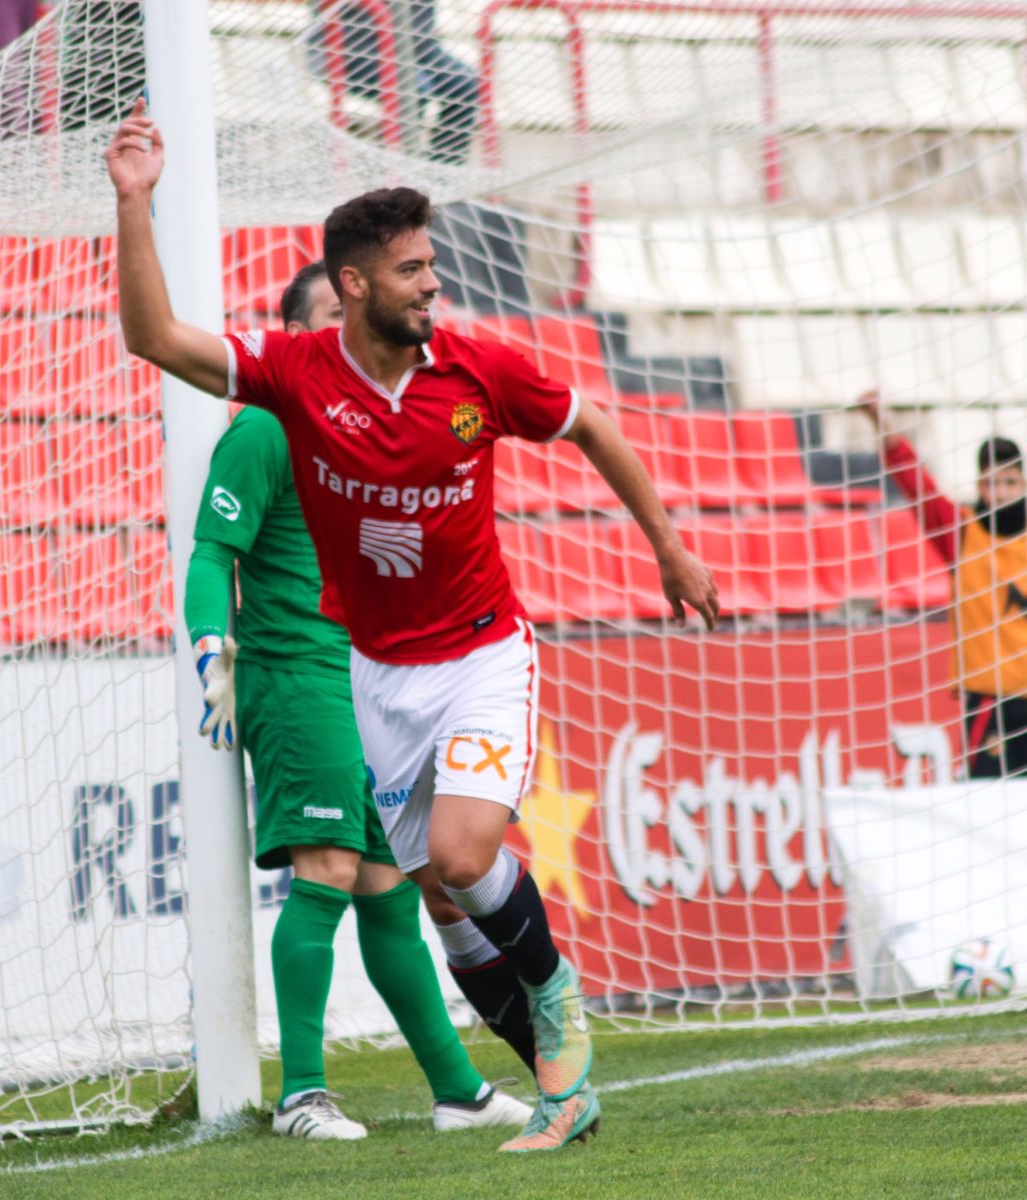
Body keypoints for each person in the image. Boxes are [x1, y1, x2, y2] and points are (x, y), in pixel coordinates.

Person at [106, 98, 719, 1152]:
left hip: (482, 649)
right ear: (353, 284)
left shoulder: (478, 369)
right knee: (435, 895)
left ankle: (556, 989)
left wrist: (668, 545)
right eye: (409, 270)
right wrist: (134, 204)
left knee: (463, 851)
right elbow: (153, 338)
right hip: (374, 674)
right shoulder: (297, 383)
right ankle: (553, 1085)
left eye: (432, 265)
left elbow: (592, 423)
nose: (432, 283)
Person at [186, 259, 532, 1140]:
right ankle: (302, 1095)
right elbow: (209, 553)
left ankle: (457, 1089)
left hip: (372, 680)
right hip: (299, 675)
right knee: (331, 872)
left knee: (387, 888)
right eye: (327, 320)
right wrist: (209, 650)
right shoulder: (266, 426)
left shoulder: (372, 429)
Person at [861, 390, 1027, 778]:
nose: (999, 492)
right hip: (991, 698)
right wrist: (882, 422)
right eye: (990, 483)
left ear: (1022, 483)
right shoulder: (962, 533)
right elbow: (917, 485)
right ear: (979, 485)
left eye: (1008, 482)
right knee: (993, 807)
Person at [313, 0, 479, 166]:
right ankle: (396, 171)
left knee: (467, 85)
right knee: (413, 88)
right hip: (350, 46)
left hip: (419, 45)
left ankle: (441, 175)